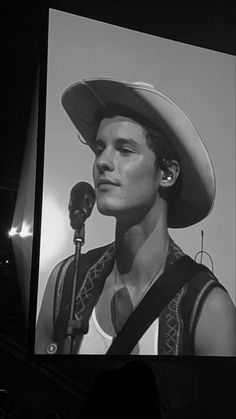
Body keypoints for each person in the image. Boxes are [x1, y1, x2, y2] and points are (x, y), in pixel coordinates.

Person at [35, 78, 236, 355]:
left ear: (166, 174)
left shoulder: (207, 308)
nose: (103, 162)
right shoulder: (65, 281)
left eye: (125, 150)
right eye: (99, 147)